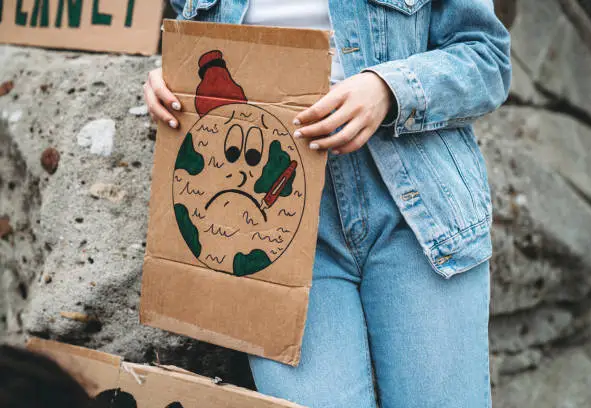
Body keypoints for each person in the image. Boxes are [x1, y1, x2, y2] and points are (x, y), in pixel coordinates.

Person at [144, 1, 511, 406]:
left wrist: (389, 89)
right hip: (266, 222)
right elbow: (199, 49)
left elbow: (487, 57)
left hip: (416, 210)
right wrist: (170, 79)